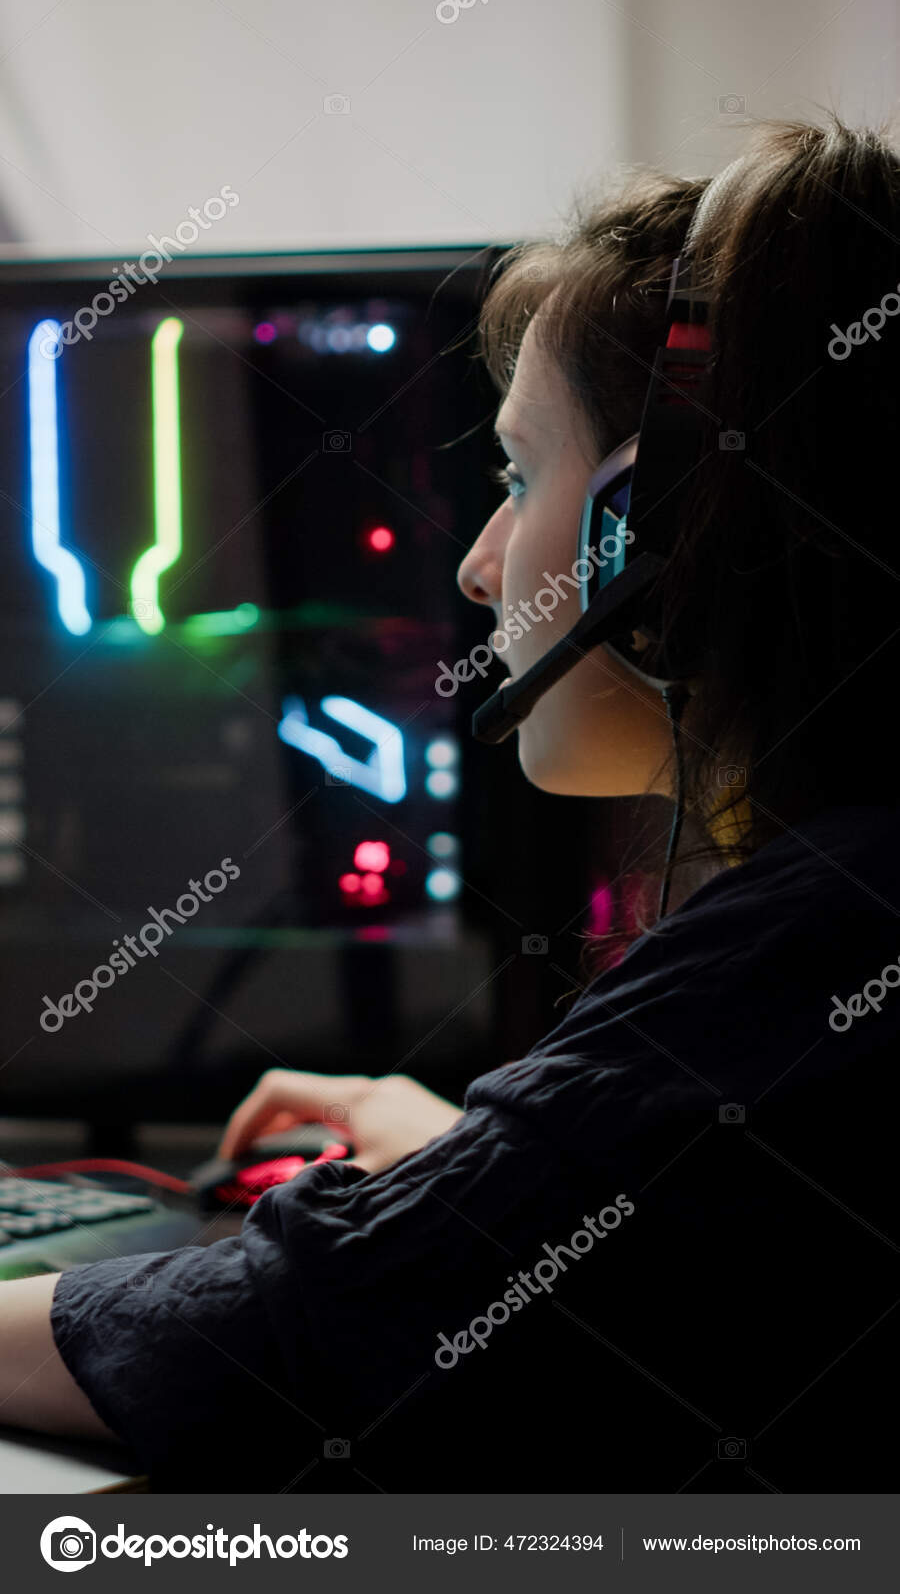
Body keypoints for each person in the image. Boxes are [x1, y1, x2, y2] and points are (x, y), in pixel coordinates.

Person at [2, 111, 899, 1494]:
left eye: (518, 474)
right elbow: (690, 1211)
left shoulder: (818, 937)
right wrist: (483, 1165)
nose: (481, 565)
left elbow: (290, 1340)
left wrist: (462, 1204)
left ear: (645, 534)